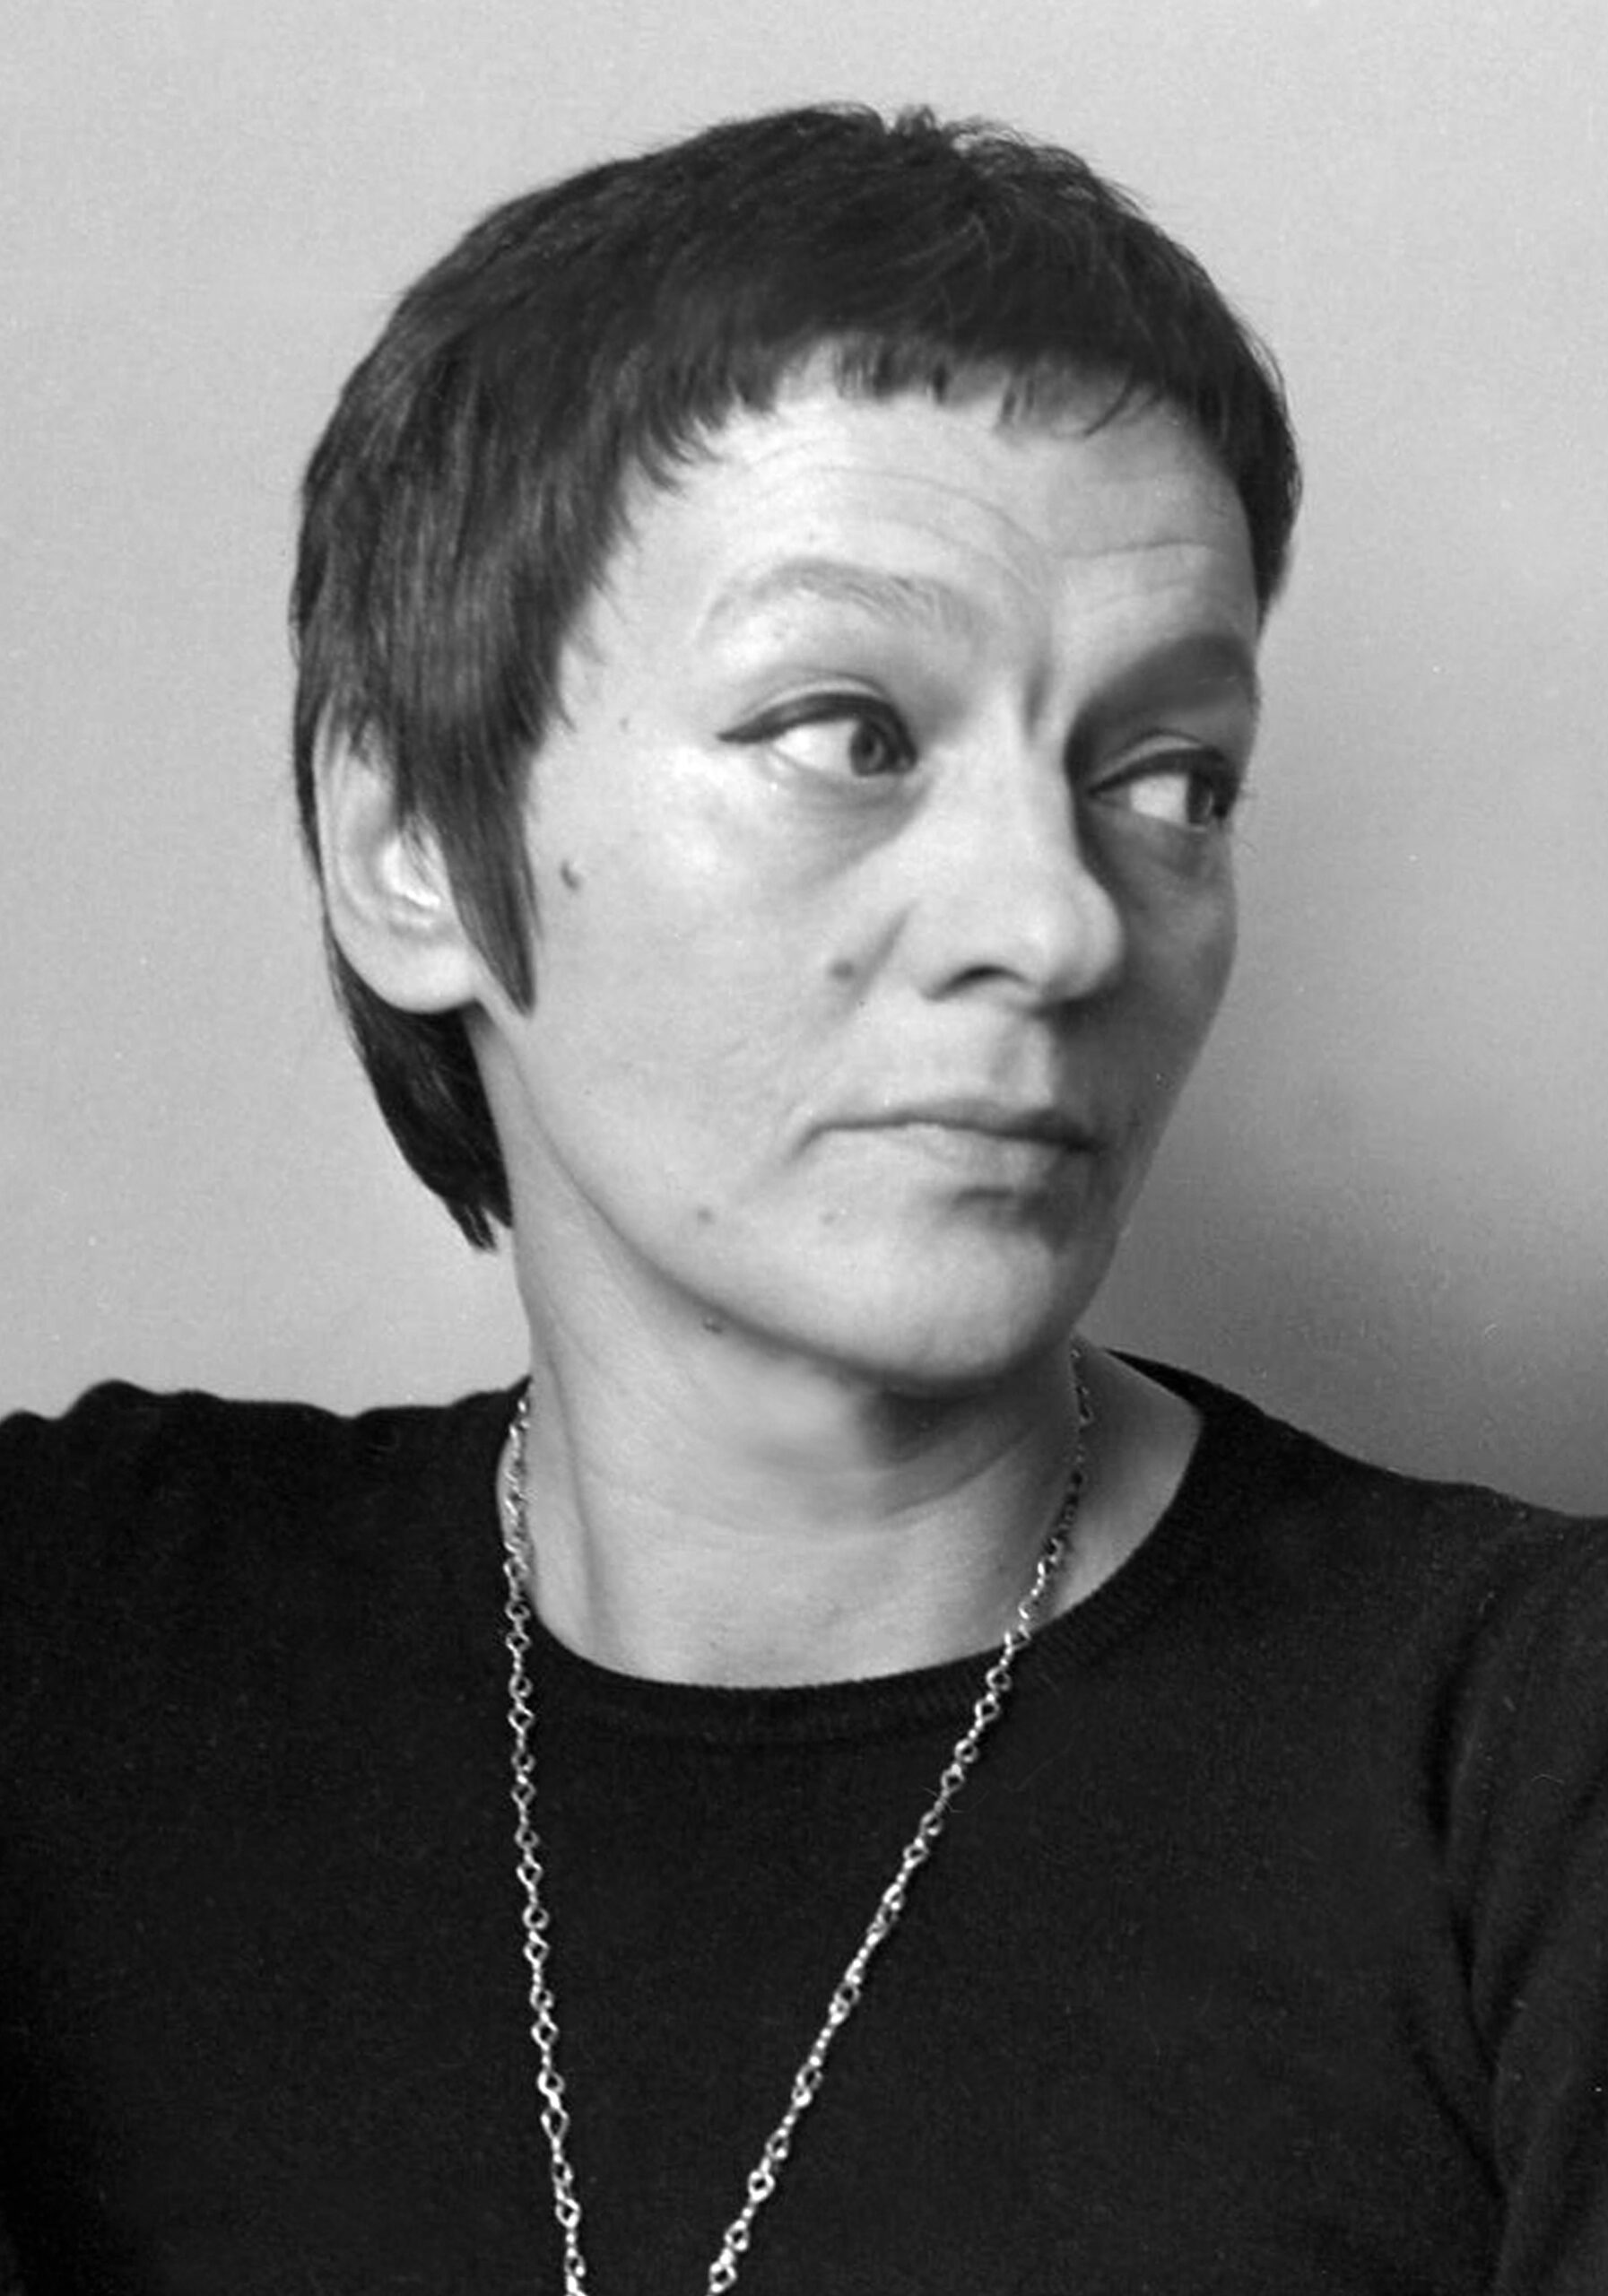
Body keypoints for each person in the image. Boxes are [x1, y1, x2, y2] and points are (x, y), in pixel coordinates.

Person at [1, 101, 1604, 2296]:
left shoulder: (1525, 1757)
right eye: (850, 731)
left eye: (1171, 777)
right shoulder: (84, 1644)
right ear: (411, 850)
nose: (1058, 920)